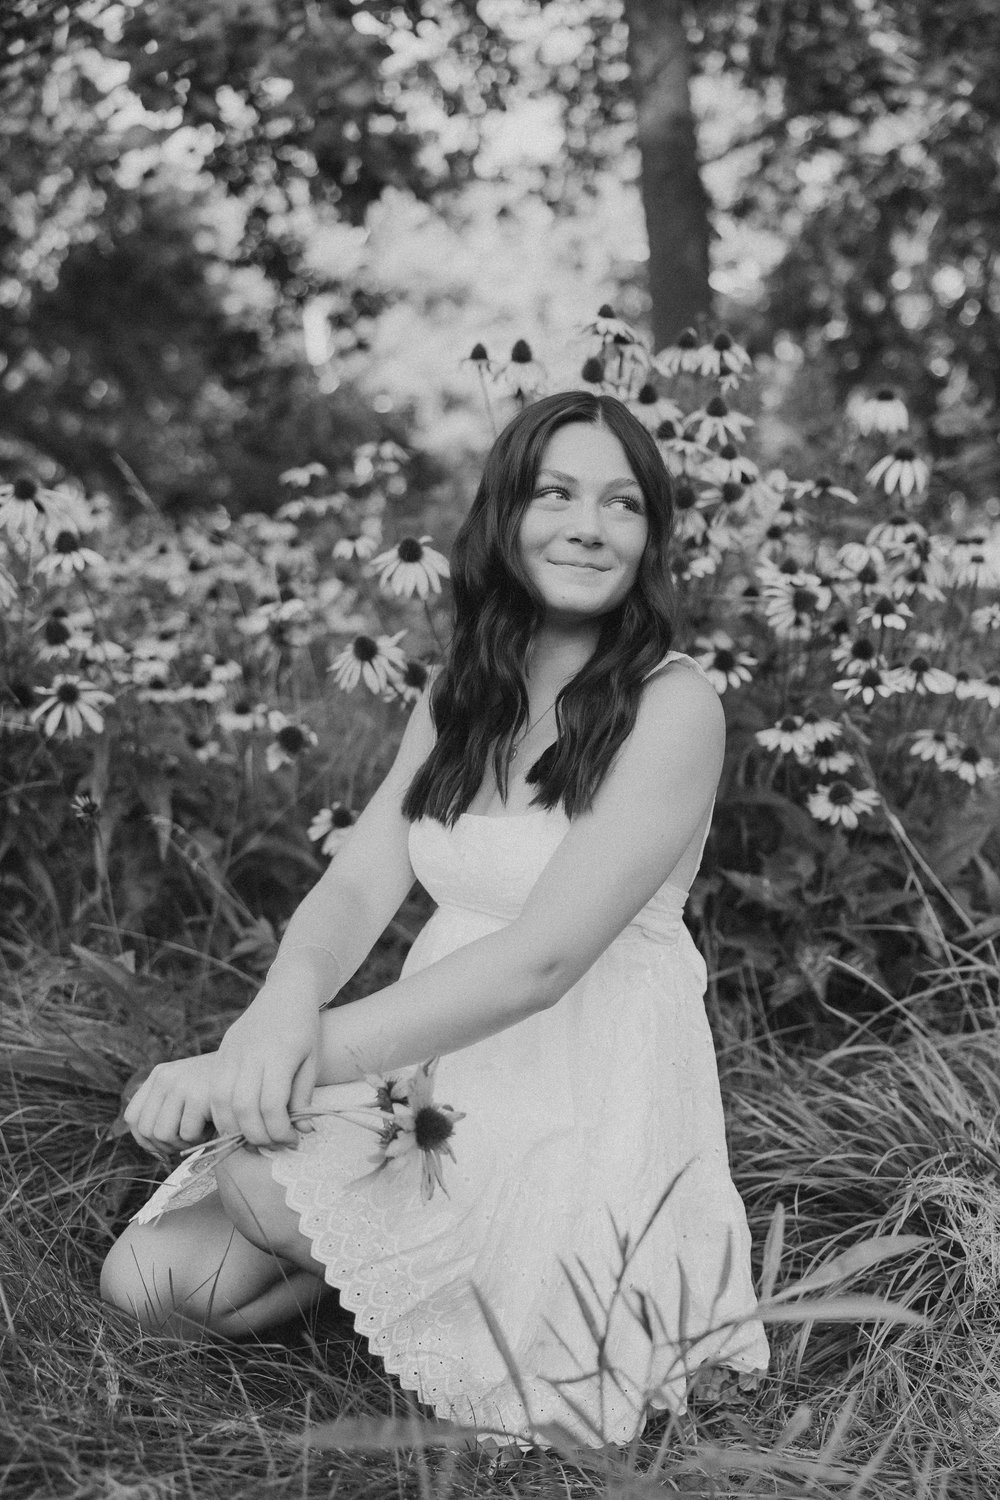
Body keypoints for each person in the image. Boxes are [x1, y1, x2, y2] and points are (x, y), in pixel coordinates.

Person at [101, 390, 770, 1451]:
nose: (587, 525)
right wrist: (274, 1020)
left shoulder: (672, 702)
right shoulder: (467, 686)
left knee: (252, 1178)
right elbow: (360, 884)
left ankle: (432, 1266)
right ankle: (391, 1273)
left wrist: (274, 1072)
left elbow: (540, 963)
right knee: (143, 1278)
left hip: (580, 1078)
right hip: (435, 1059)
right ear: (505, 514)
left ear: (650, 539)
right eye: (555, 493)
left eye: (621, 504)